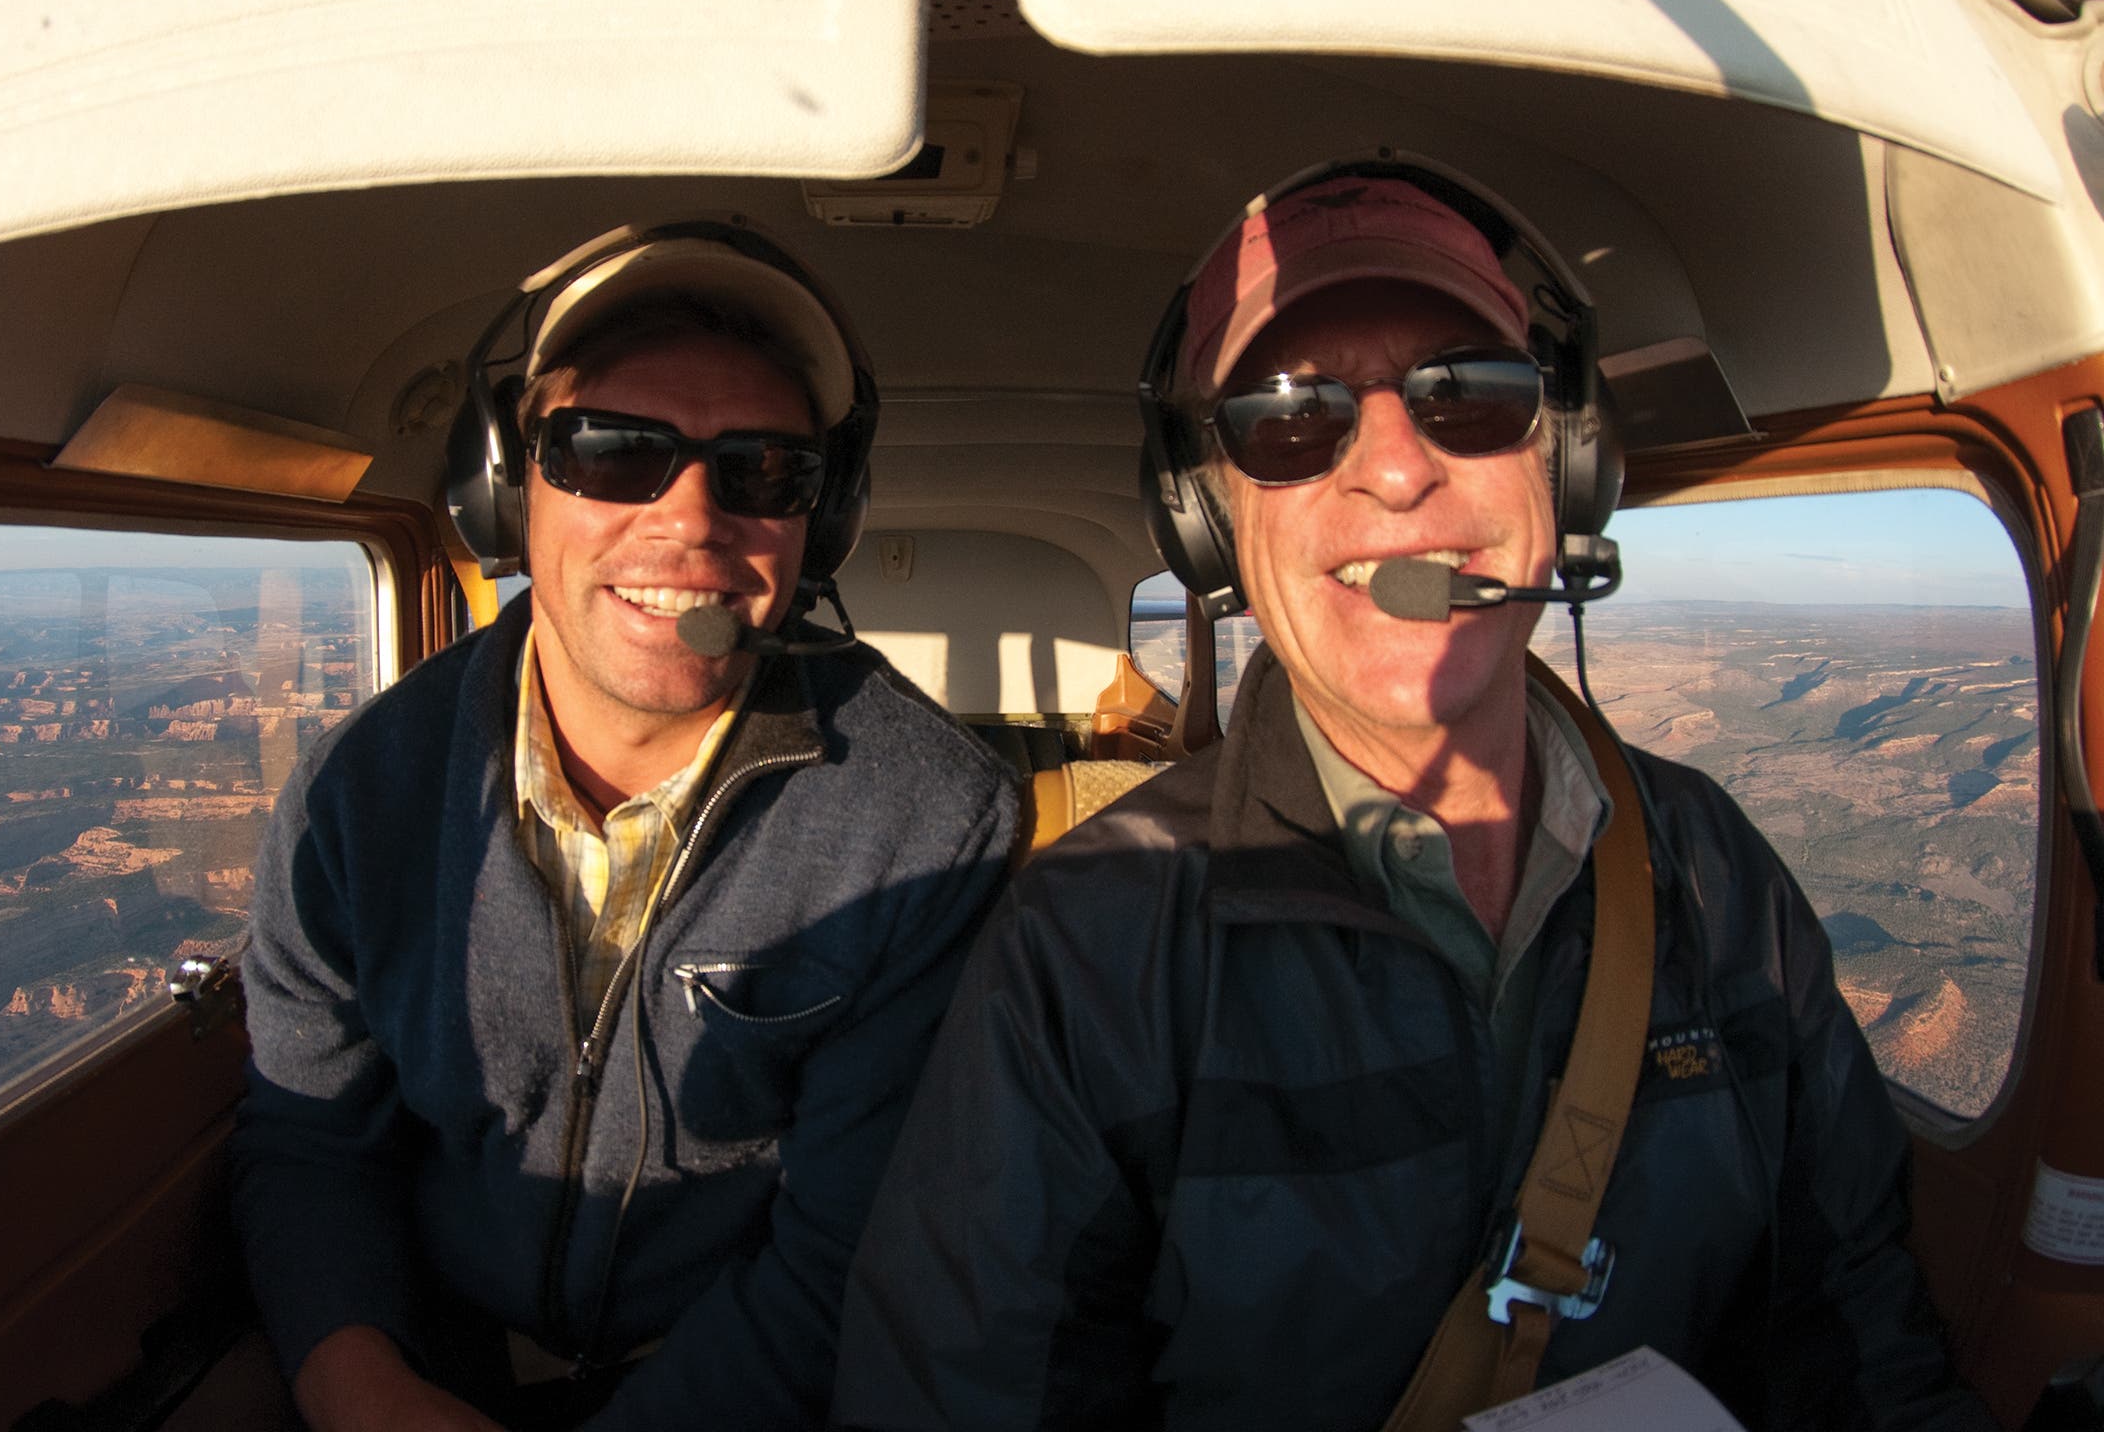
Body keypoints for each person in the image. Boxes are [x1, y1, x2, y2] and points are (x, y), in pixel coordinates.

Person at [831, 162, 1997, 1430]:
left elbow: (1858, 1331)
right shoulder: (1095, 942)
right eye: (1288, 414)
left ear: (1568, 463)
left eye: (1469, 393)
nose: (1394, 467)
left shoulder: (1713, 866)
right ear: (1207, 513)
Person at [232, 222, 1018, 1432]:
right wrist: (359, 1387)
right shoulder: (361, 792)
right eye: (611, 451)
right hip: (431, 1365)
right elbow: (310, 1139)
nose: (694, 521)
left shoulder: (927, 817)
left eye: (764, 470)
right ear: (508, 483)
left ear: (824, 520)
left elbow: (849, 1246)